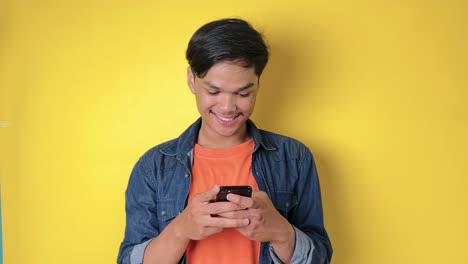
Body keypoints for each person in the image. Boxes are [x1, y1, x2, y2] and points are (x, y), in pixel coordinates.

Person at [117, 18, 332, 264]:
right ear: (191, 80)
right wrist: (180, 229)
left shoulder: (294, 158)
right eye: (214, 92)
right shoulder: (153, 166)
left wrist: (281, 233)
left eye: (243, 93)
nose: (228, 107)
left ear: (258, 84)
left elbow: (320, 258)